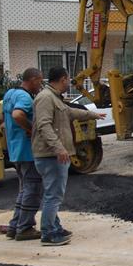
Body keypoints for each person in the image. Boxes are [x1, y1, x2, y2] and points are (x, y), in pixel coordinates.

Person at [31, 67, 105, 247]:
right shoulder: (46, 98)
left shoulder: (54, 97)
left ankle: (55, 226)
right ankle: (48, 233)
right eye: (68, 80)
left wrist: (93, 114)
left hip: (53, 154)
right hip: (50, 155)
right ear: (63, 79)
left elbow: (70, 112)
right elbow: (44, 125)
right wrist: (59, 148)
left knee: (53, 193)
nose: (68, 83)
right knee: (53, 195)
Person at [0, 68, 45, 240]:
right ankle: (25, 228)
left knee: (24, 189)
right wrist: (31, 129)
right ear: (32, 79)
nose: (40, 85)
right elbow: (17, 115)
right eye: (39, 81)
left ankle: (15, 225)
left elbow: (4, 117)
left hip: (14, 149)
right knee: (33, 189)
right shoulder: (24, 97)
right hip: (27, 150)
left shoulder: (10, 93)